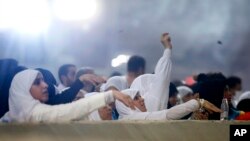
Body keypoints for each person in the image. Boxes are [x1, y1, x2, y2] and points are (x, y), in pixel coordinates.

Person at [1, 69, 134, 123]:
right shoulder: (33, 114)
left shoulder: (10, 116)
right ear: (22, 90)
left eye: (43, 80)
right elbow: (70, 110)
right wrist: (110, 95)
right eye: (37, 82)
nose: (45, 85)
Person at [130, 33, 172, 112]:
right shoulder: (152, 103)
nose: (141, 99)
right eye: (136, 97)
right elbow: (162, 79)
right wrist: (168, 49)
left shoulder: (128, 113)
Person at [116, 89, 221, 120]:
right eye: (136, 98)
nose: (142, 99)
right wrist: (197, 103)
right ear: (124, 105)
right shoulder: (131, 119)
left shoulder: (132, 118)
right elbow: (168, 115)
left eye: (140, 96)